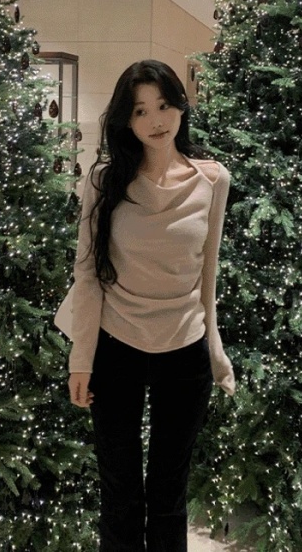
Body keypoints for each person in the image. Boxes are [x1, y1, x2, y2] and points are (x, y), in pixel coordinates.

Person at [68, 59, 235, 552]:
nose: (156, 120)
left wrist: (214, 349)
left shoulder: (212, 179)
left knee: (169, 493)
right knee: (119, 492)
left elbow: (208, 275)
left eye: (164, 106)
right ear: (126, 119)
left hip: (184, 349)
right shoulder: (105, 181)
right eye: (141, 111)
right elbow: (88, 273)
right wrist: (81, 360)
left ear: (181, 106)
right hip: (116, 345)